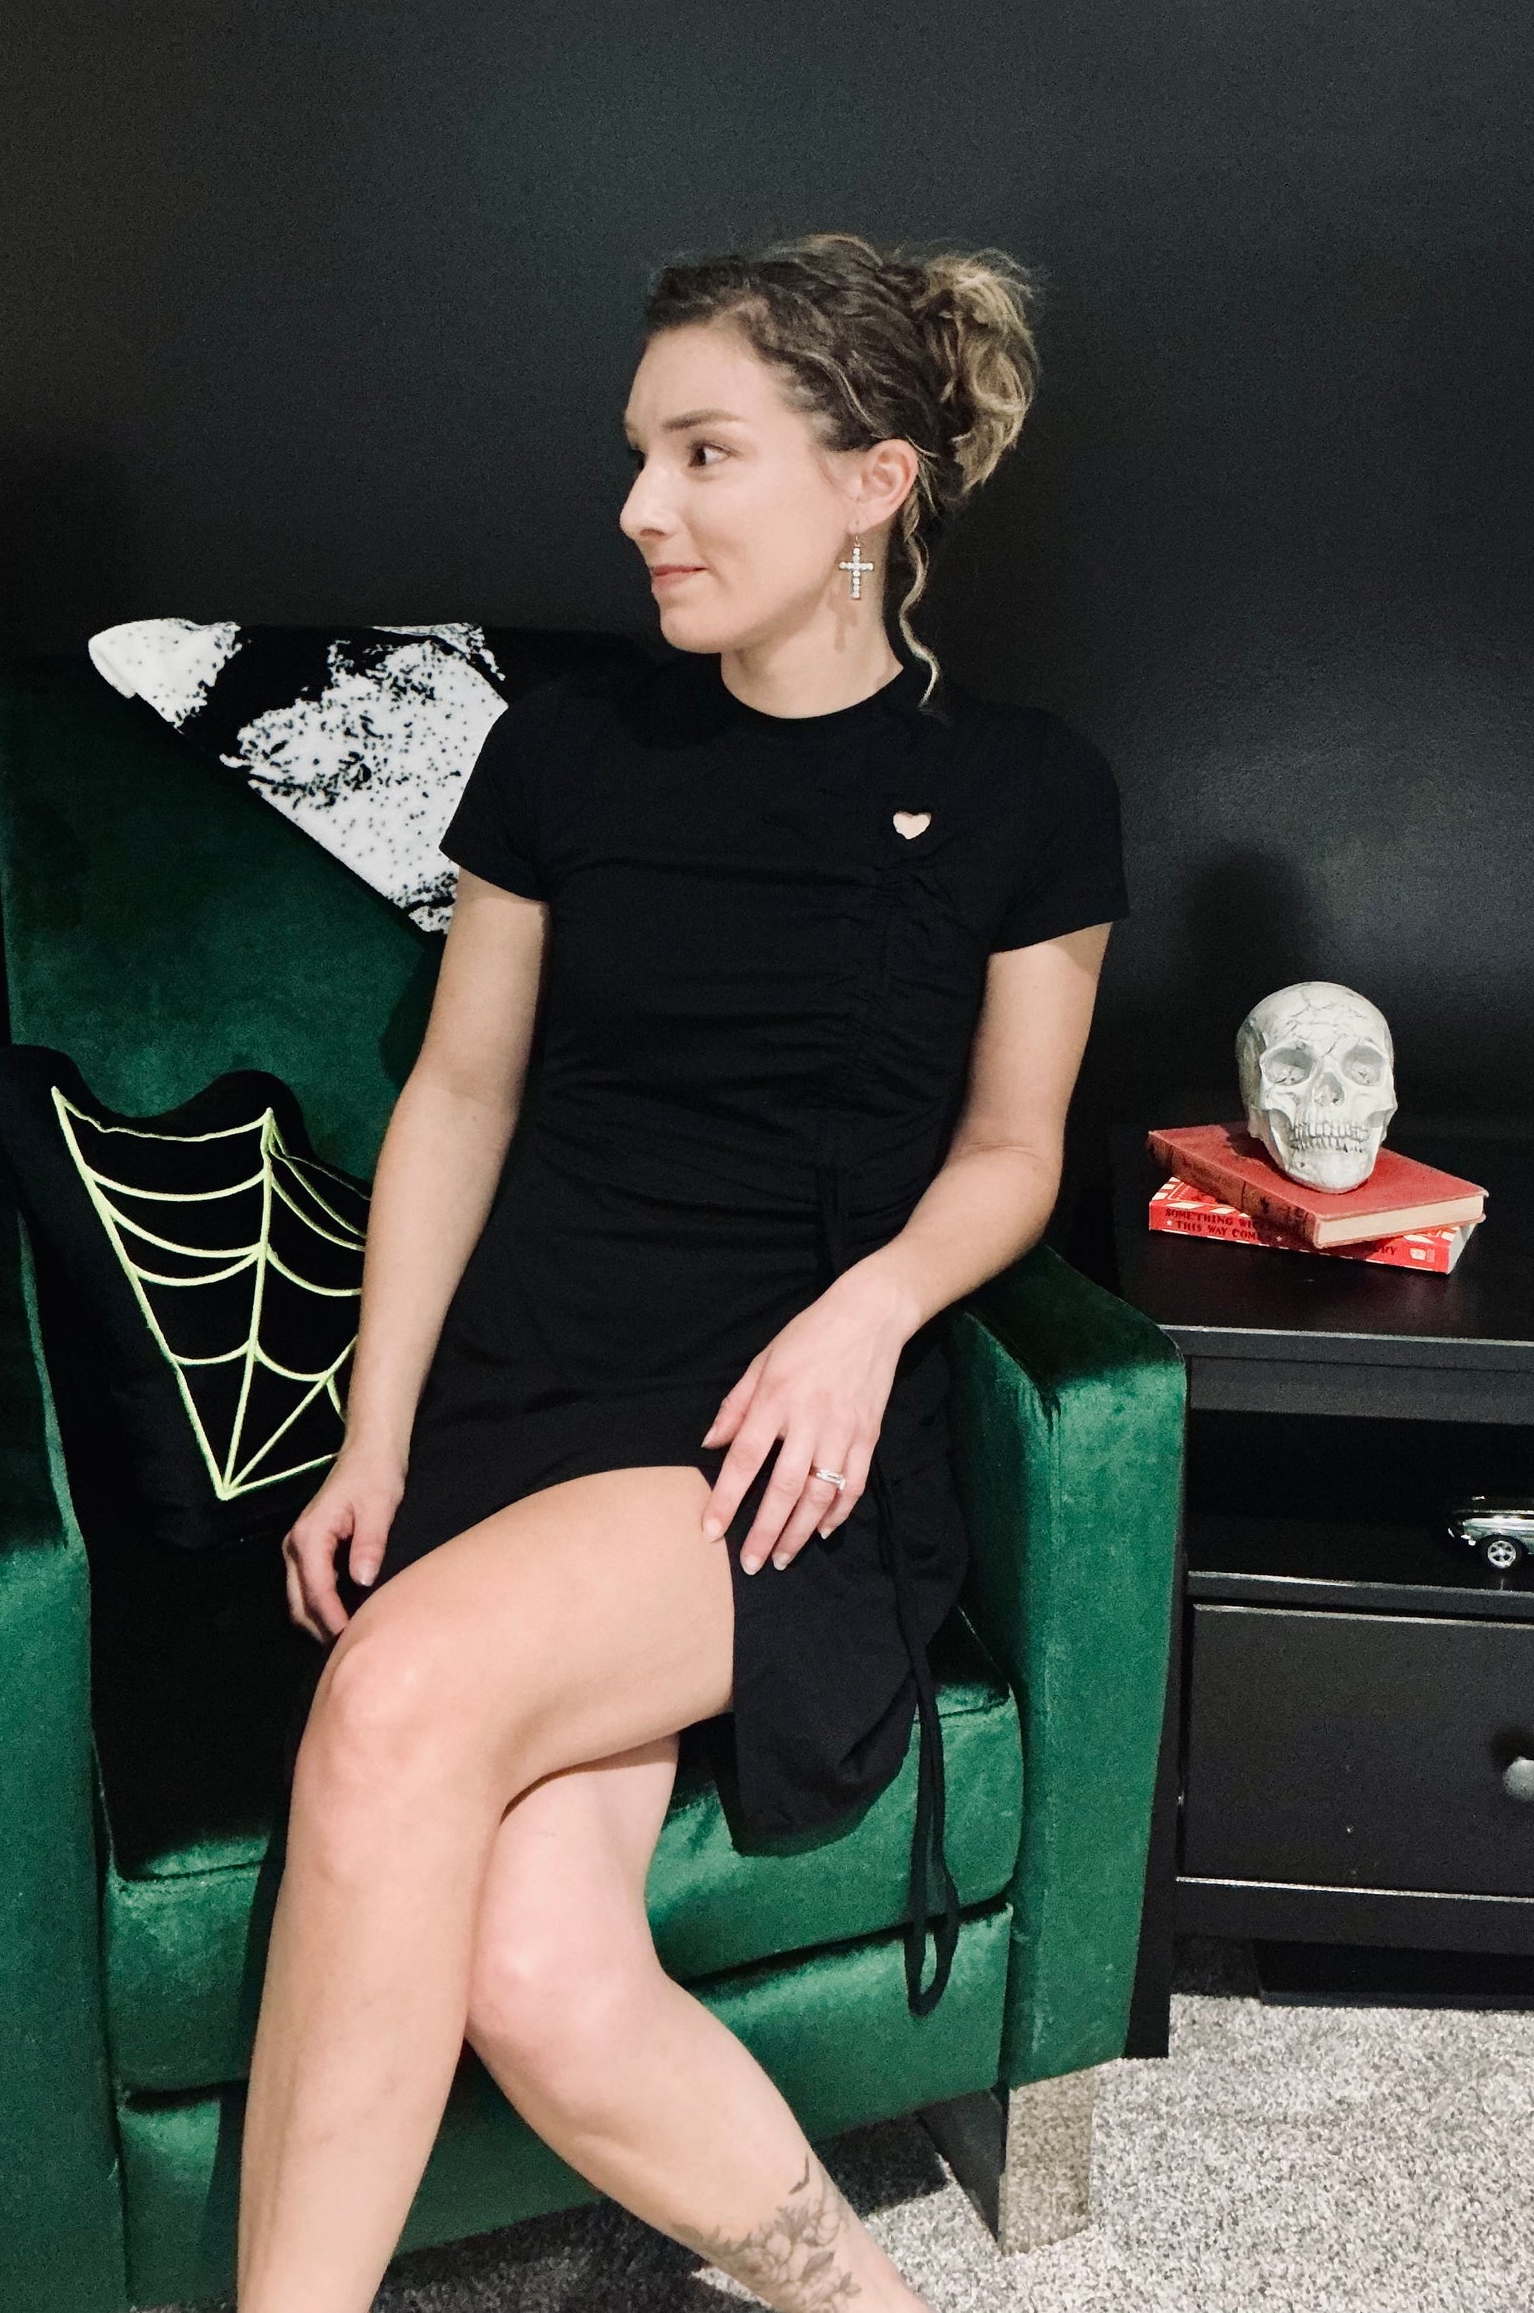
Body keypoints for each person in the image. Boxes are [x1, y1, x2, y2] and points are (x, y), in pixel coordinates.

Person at [240, 231, 1130, 2313]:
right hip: (531, 1380)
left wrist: (869, 1309)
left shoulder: (1029, 789)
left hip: (774, 1433)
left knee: (395, 1701)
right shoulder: (563, 753)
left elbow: (1013, 1149)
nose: (638, 508)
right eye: (639, 451)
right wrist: (371, 1434)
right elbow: (459, 1098)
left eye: (702, 451)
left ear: (869, 484)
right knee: (540, 1975)